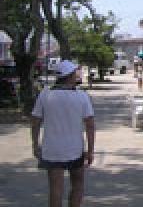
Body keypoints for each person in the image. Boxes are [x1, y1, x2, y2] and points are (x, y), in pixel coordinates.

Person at [31, 60, 95, 207]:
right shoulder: (81, 96)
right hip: (75, 149)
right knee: (78, 184)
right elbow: (90, 125)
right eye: (75, 73)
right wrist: (90, 150)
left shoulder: (45, 95)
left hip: (52, 149)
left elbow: (35, 122)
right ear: (70, 76)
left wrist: (35, 144)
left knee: (55, 188)